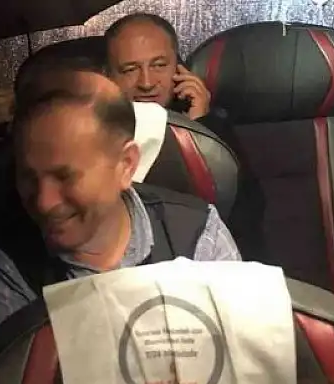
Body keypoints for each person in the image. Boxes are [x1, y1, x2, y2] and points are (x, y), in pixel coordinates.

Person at [0, 70, 241, 371]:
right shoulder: (0, 267)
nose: (44, 202)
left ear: (126, 165)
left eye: (65, 177)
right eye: (28, 177)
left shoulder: (198, 235)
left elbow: (239, 365)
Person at [104, 12, 265, 261]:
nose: (146, 82)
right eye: (130, 69)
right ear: (108, 77)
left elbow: (248, 217)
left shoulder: (213, 125)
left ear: (179, 69)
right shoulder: (95, 134)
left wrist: (201, 127)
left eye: (159, 65)